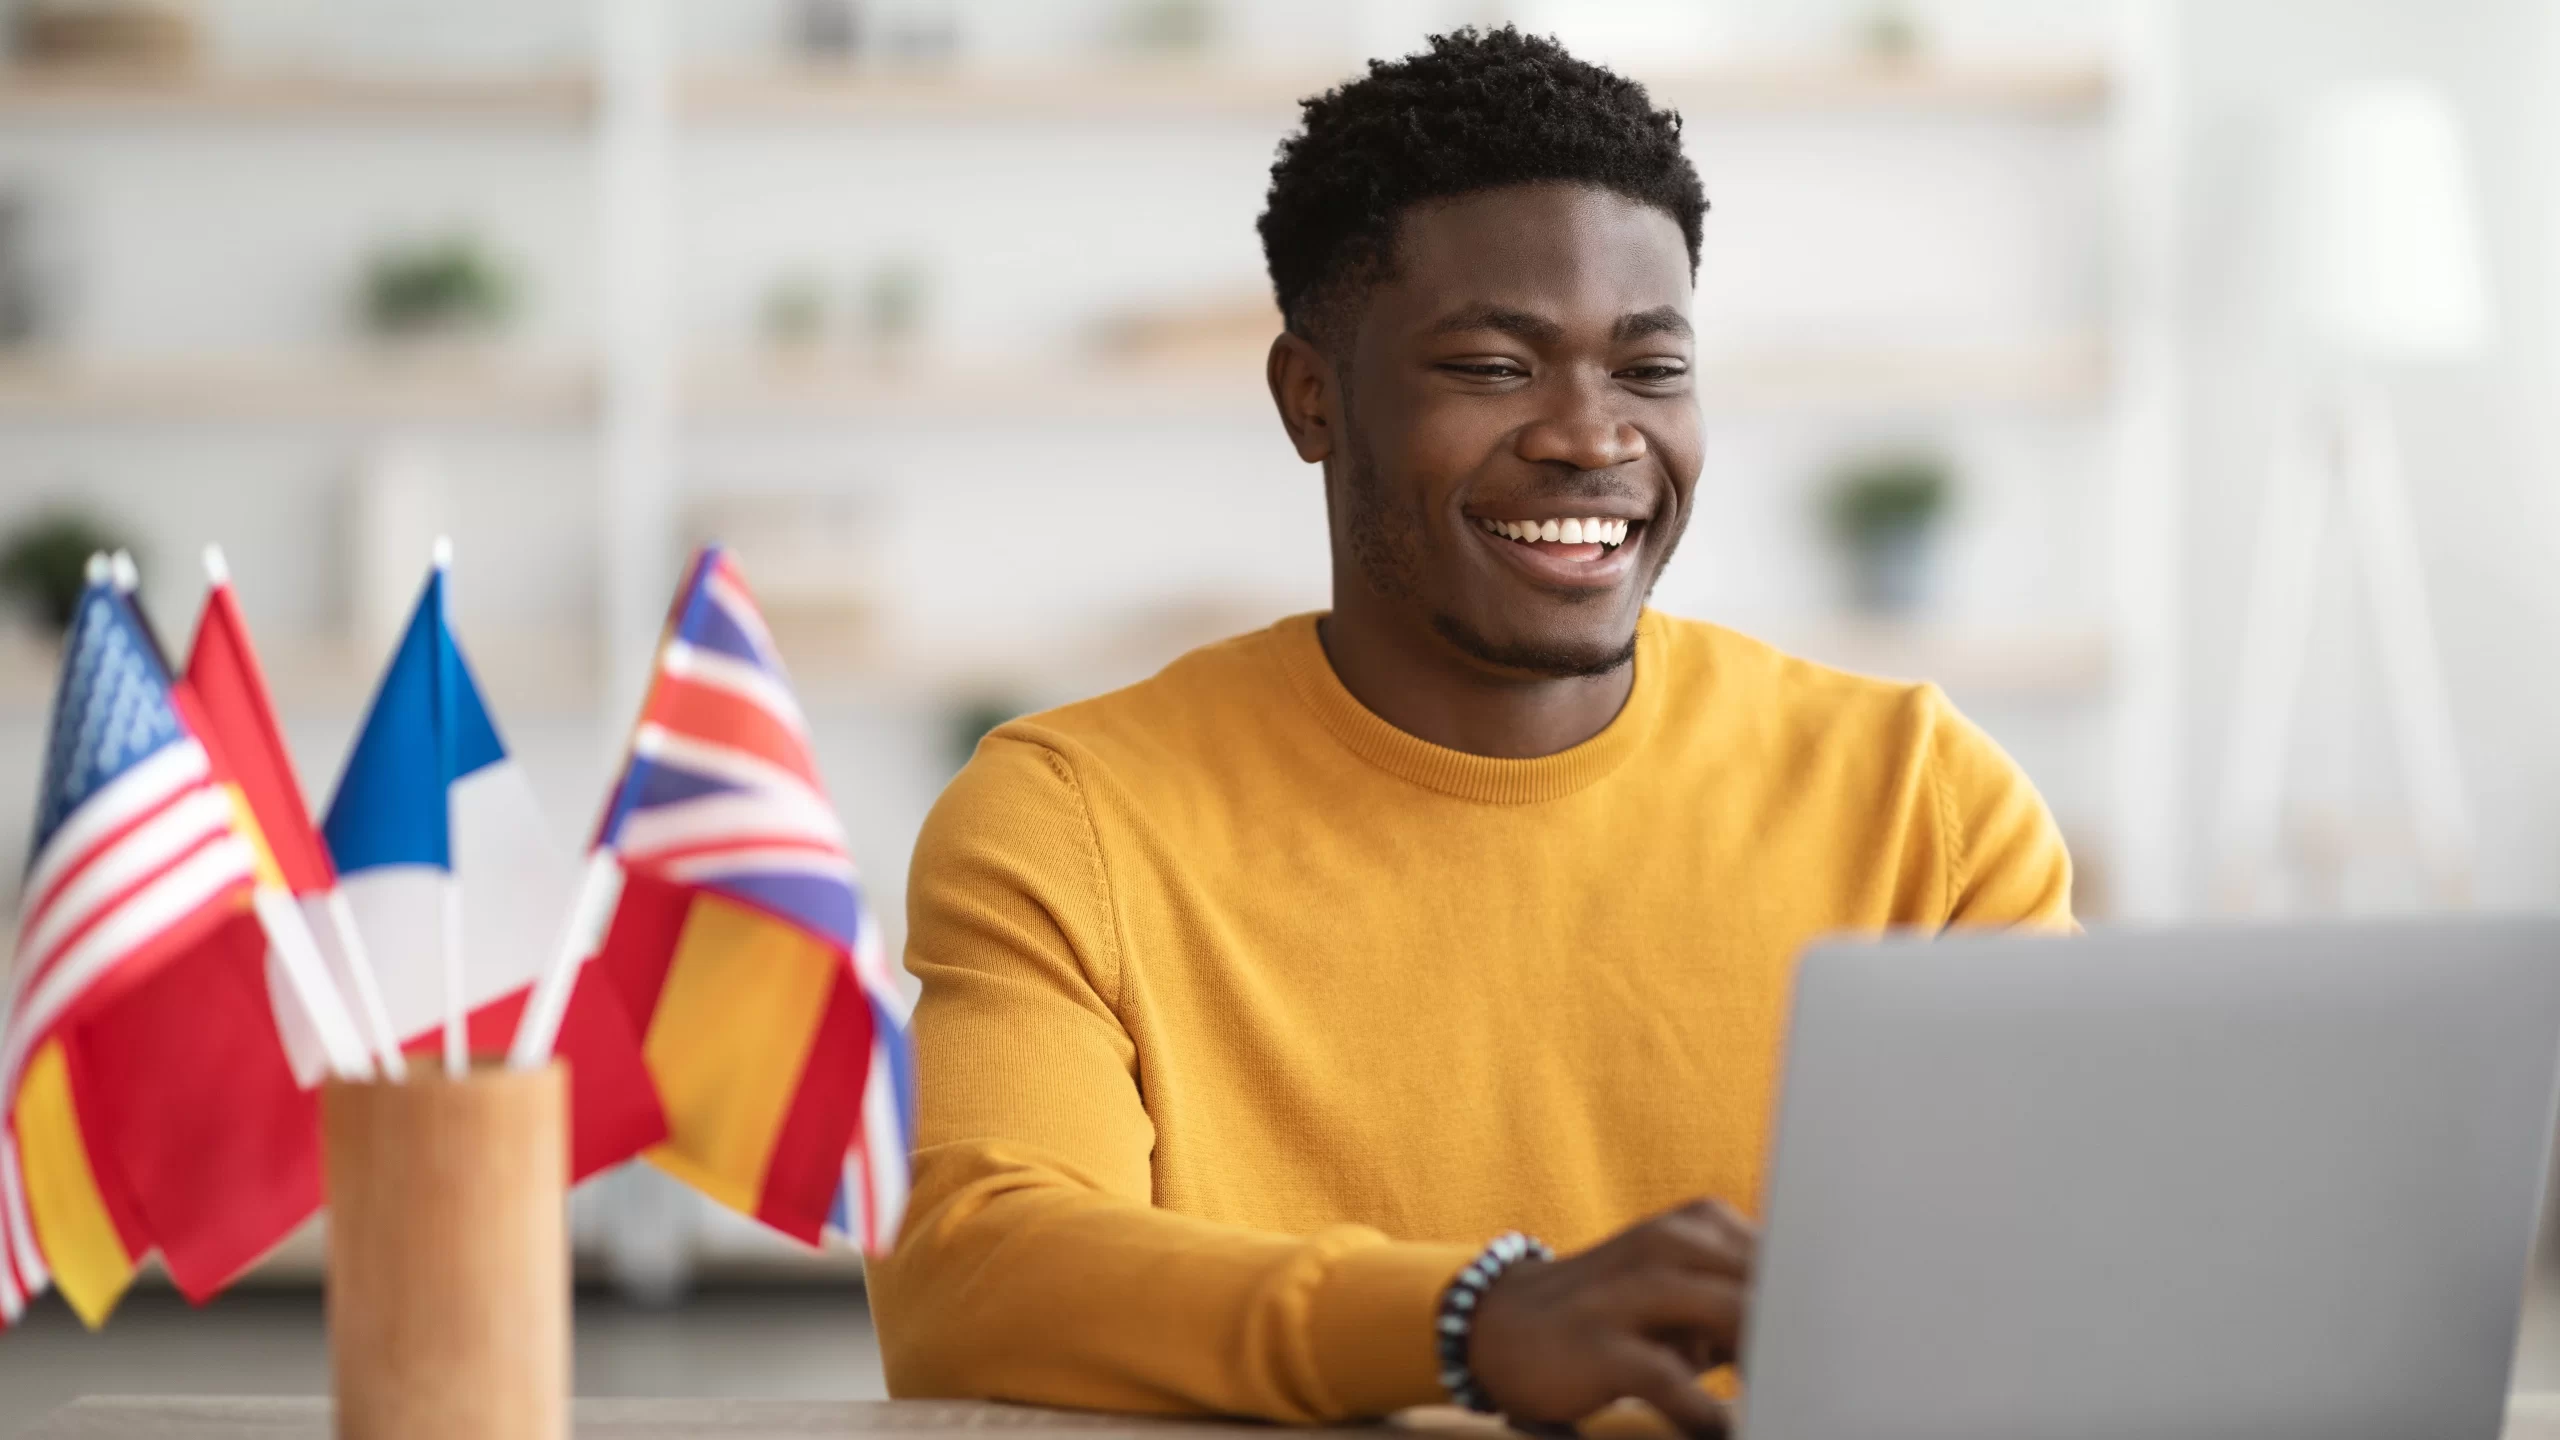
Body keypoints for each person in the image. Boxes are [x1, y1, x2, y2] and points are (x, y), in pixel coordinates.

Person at [867, 27, 2072, 1438]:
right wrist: (1473, 1323)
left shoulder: (1923, 803)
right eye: (1496, 366)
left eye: (1651, 369)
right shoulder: (1071, 817)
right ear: (1311, 398)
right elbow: (978, 1276)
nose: (1591, 436)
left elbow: (2053, 1295)